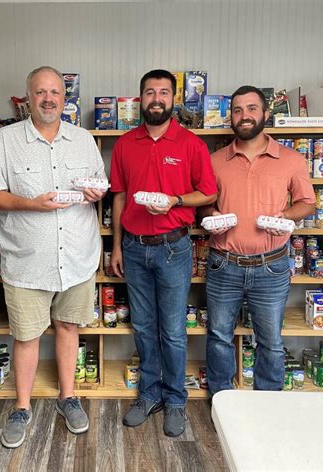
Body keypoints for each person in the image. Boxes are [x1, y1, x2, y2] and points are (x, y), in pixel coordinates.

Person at [0, 66, 106, 448]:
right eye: (40, 93)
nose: (48, 99)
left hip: (78, 258)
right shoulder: (4, 140)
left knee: (69, 328)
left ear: (64, 98)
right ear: (27, 98)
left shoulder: (84, 140)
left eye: (55, 92)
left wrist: (97, 193)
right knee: (27, 335)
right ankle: (22, 407)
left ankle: (68, 397)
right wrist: (31, 205)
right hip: (26, 261)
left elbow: (99, 183)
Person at [109, 69, 217, 437]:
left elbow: (209, 193)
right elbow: (119, 196)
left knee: (172, 331)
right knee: (142, 327)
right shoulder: (125, 144)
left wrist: (175, 201)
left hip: (174, 248)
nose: (157, 98)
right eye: (150, 92)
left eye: (164, 92)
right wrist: (117, 246)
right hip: (135, 250)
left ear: (173, 99)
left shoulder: (190, 144)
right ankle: (148, 395)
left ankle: (175, 401)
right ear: (141, 99)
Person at [201, 85, 315, 396]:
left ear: (265, 114)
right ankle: (221, 400)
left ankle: (268, 405)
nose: (244, 116)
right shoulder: (214, 160)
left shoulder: (291, 159)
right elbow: (204, 202)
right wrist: (213, 214)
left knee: (271, 342)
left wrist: (286, 215)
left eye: (251, 109)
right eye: (237, 110)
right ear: (231, 118)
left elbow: (307, 202)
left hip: (272, 266)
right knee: (219, 337)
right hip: (224, 263)